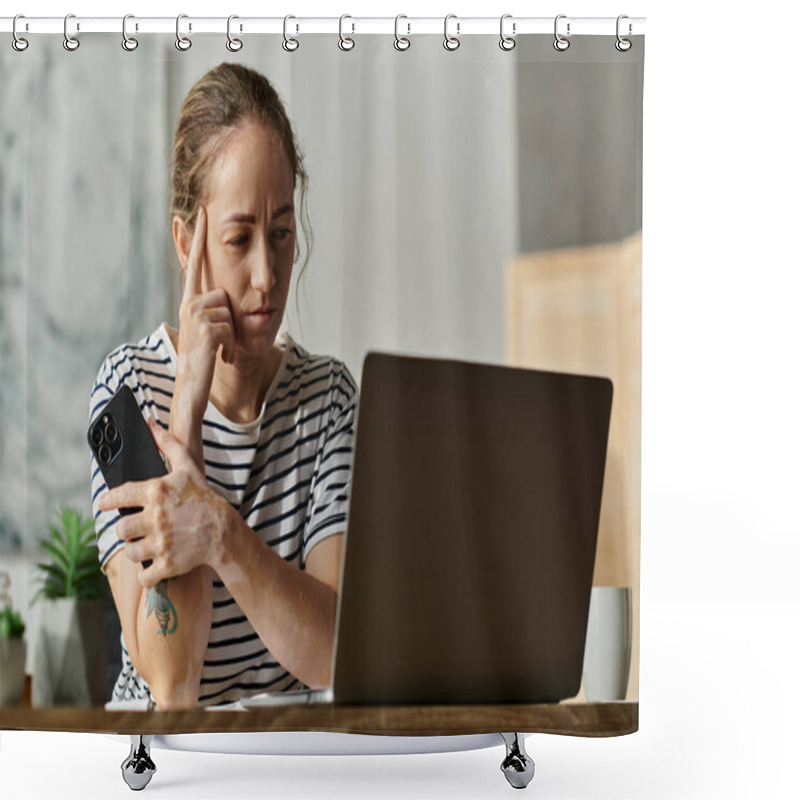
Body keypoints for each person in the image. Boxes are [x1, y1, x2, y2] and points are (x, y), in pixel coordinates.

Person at [89, 63, 357, 710]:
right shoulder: (128, 394)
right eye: (239, 238)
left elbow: (330, 657)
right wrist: (186, 409)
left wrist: (219, 533)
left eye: (283, 234)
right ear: (187, 243)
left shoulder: (327, 399)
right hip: (164, 760)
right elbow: (171, 680)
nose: (267, 274)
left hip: (288, 764)